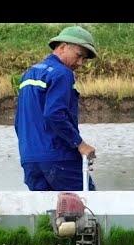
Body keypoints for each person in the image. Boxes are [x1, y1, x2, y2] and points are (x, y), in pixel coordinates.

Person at [14, 25, 98, 191]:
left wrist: (31, 150)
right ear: (63, 47)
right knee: (85, 205)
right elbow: (54, 114)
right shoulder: (62, 73)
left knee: (47, 212)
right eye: (79, 56)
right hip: (59, 158)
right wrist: (80, 144)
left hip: (30, 158)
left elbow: (19, 121)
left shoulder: (29, 74)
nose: (80, 63)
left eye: (84, 59)